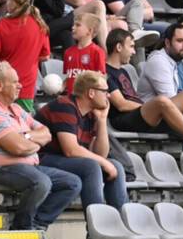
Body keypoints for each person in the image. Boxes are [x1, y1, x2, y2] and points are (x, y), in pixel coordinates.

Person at [0, 62, 79, 234]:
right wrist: (34, 142)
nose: (20, 85)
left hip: (28, 166)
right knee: (41, 182)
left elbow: (46, 132)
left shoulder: (17, 108)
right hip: (0, 169)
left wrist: (26, 137)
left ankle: (38, 224)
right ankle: (21, 227)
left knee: (72, 183)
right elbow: (18, 148)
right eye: (14, 82)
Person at [36, 69, 127, 210]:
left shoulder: (91, 114)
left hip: (64, 160)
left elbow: (100, 154)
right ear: (91, 93)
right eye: (104, 91)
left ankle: (119, 223)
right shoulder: (65, 105)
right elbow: (71, 150)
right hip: (42, 158)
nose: (108, 95)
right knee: (91, 166)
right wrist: (103, 162)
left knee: (117, 166)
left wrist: (102, 120)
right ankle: (96, 225)